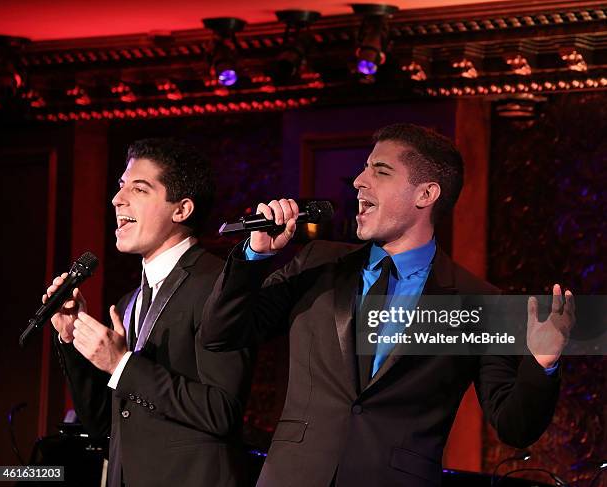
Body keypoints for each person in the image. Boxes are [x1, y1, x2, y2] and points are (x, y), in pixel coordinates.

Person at [200, 124, 574, 487]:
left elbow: (515, 427)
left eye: (380, 170)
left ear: (426, 195)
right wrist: (253, 256)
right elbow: (220, 333)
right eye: (363, 168)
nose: (359, 181)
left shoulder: (479, 302)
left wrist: (543, 363)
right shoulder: (318, 263)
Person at [46, 138, 254, 487]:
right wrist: (71, 338)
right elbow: (104, 425)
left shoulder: (219, 284)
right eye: (120, 186)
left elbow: (223, 411)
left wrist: (121, 364)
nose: (117, 199)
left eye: (139, 189)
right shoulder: (130, 302)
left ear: (182, 209)